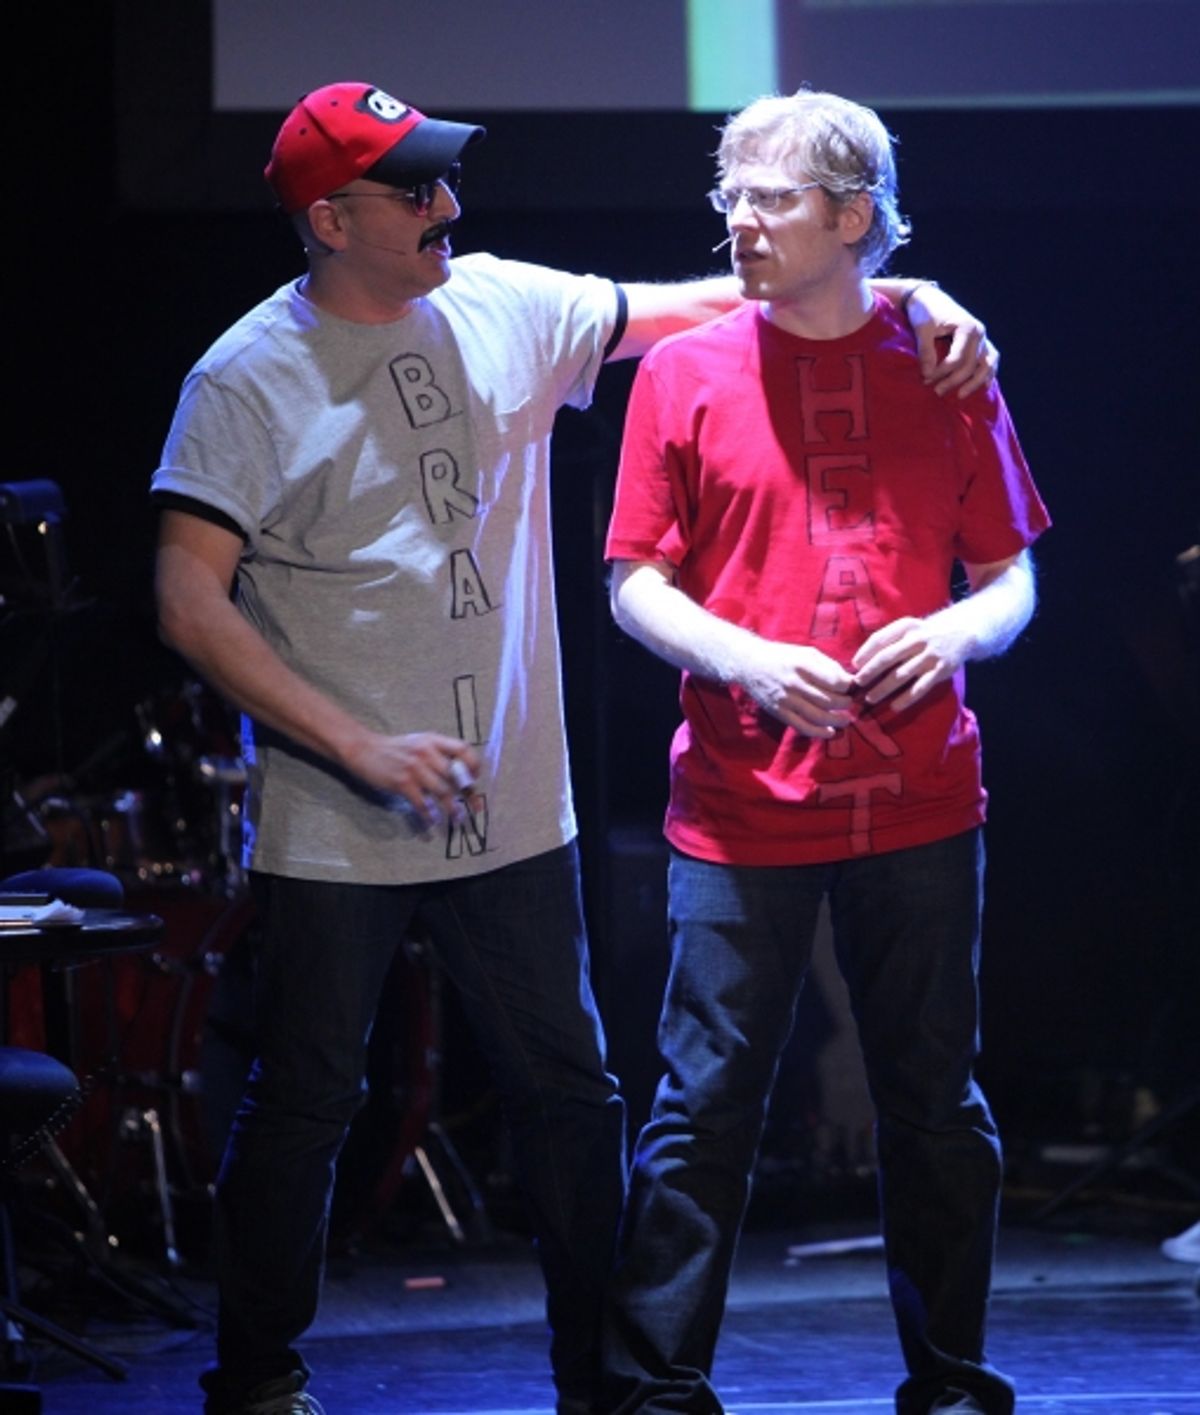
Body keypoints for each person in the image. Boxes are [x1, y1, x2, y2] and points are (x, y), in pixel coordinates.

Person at [150, 81, 998, 1415]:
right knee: (309, 1097)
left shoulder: (503, 302)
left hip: (510, 811)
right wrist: (360, 748)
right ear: (328, 218)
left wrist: (921, 291)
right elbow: (188, 600)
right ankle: (257, 1375)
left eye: (443, 179)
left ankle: (597, 1383)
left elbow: (750, 296)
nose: (448, 207)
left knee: (574, 1097)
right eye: (412, 189)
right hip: (336, 818)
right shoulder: (246, 376)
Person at [601, 88, 1050, 1415]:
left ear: (854, 216)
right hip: (738, 804)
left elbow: (1014, 575)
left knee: (934, 1105)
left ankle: (954, 1379)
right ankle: (658, 1386)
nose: (741, 222)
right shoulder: (685, 371)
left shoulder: (943, 359)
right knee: (700, 1110)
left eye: (771, 198)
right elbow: (633, 578)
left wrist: (955, 632)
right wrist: (739, 657)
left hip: (920, 794)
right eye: (728, 197)